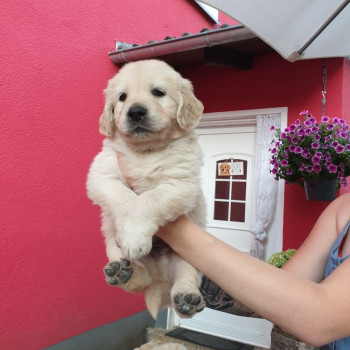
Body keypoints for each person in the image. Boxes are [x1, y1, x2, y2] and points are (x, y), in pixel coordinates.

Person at [156, 193, 350, 349]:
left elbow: (320, 318)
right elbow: (277, 297)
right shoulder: (342, 209)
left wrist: (173, 228)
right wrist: (171, 264)